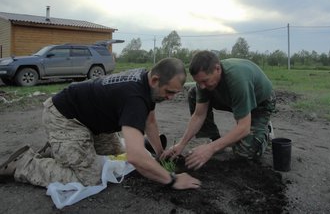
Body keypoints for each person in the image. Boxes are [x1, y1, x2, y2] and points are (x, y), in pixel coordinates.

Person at [0, 58, 201, 190]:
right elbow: (136, 157)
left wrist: (159, 153)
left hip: (92, 121)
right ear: (156, 80)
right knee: (89, 179)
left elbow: (150, 120)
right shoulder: (135, 97)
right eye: (170, 92)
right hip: (65, 118)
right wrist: (172, 179)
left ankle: (57, 148)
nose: (171, 98)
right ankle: (25, 164)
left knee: (114, 149)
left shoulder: (145, 80)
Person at [161, 51, 276, 170]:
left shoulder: (237, 79)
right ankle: (211, 137)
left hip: (260, 103)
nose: (202, 86)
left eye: (205, 81)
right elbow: (199, 115)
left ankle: (265, 131)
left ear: (217, 68)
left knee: (245, 153)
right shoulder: (204, 83)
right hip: (231, 99)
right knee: (194, 93)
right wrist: (181, 144)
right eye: (198, 82)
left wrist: (211, 148)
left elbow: (244, 127)